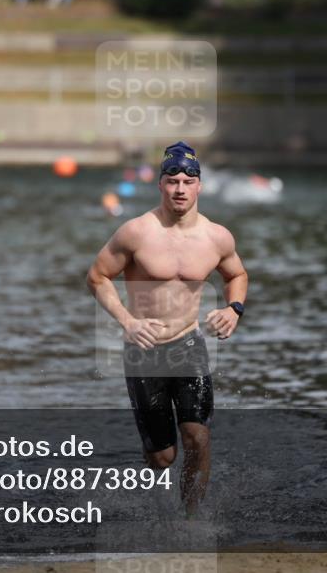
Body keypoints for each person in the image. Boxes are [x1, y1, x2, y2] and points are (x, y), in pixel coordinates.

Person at [86, 141, 248, 516]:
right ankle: (156, 457)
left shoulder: (216, 237)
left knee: (198, 435)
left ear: (199, 186)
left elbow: (237, 274)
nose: (179, 188)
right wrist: (127, 321)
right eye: (172, 180)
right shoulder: (135, 233)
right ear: (160, 185)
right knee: (163, 457)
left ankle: (191, 523)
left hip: (189, 345)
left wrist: (234, 309)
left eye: (187, 181)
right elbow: (97, 277)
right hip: (144, 351)